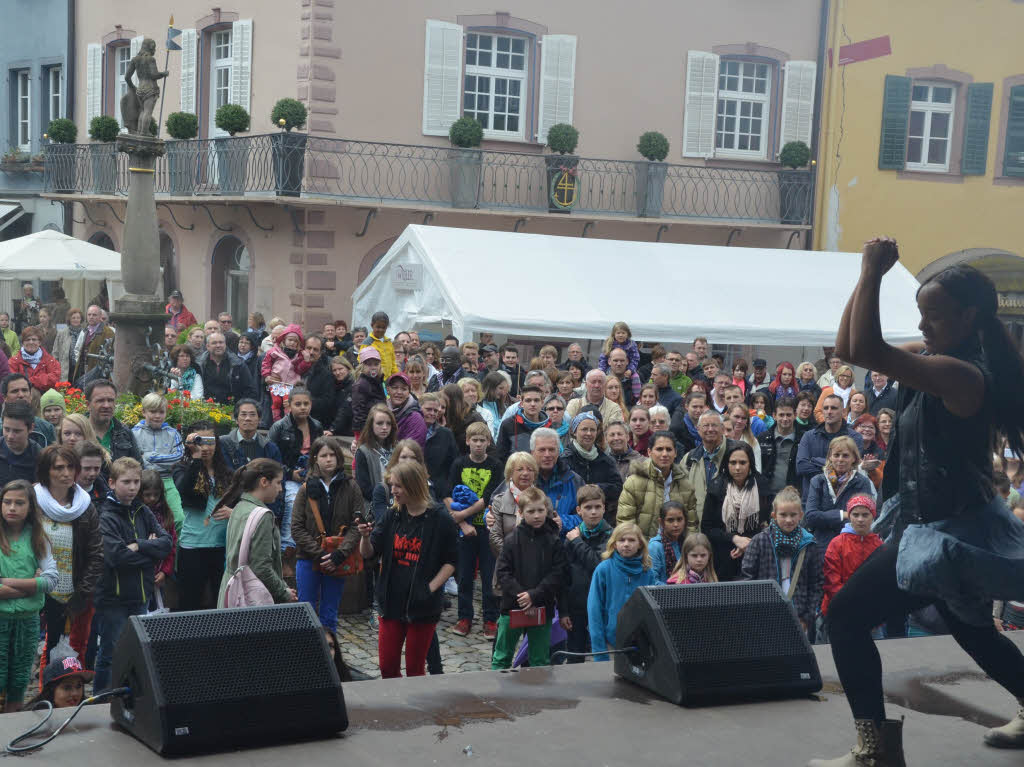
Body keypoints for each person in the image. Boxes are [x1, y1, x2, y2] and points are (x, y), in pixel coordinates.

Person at [808, 242, 1024, 763]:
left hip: (948, 533)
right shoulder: (936, 361)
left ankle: (873, 750)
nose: (923, 326)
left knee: (848, 618)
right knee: (970, 627)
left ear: (968, 316)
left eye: (933, 316)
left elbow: (865, 351)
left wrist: (871, 271)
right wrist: (866, 280)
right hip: (941, 523)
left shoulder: (961, 375)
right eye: (920, 315)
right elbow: (849, 346)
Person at [358, 461, 457, 678]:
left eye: (398, 486)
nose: (392, 491)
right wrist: (364, 537)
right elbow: (368, 553)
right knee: (387, 667)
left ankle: (415, 711)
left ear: (413, 486)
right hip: (391, 603)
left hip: (423, 607)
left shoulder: (440, 519)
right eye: (392, 485)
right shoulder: (392, 516)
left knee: (415, 669)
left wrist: (429, 589)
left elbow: (451, 562)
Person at [93, 458, 172, 692]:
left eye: (136, 481)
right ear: (112, 482)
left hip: (139, 595)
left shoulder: (142, 510)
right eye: (126, 482)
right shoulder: (106, 514)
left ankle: (126, 700)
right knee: (109, 653)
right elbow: (116, 557)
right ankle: (100, 699)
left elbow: (166, 543)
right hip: (113, 598)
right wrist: (150, 552)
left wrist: (138, 545)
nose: (133, 487)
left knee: (135, 654)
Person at [35, 445, 102, 676]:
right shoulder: (31, 500)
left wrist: (81, 594)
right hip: (34, 589)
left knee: (64, 652)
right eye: (58, 468)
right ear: (46, 471)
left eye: (70, 467)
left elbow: (95, 554)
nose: (66, 473)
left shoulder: (85, 505)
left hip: (71, 592)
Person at [291, 437, 362, 630]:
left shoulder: (351, 487)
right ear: (315, 458)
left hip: (338, 558)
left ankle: (330, 657)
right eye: (324, 455)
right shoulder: (305, 489)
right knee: (306, 612)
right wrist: (320, 554)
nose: (328, 459)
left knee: (329, 614)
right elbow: (296, 527)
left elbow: (357, 525)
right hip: (309, 557)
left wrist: (340, 554)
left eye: (332, 455)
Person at [491, 486, 566, 670]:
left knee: (539, 659)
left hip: (541, 605)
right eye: (531, 511)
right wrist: (522, 595)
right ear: (521, 512)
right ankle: (499, 695)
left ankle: (537, 697)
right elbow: (503, 572)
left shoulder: (554, 541)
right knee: (502, 656)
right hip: (512, 606)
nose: (537, 515)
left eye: (541, 510)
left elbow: (557, 574)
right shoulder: (511, 539)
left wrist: (534, 595)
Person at [0, 479, 57, 711]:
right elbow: (41, 582)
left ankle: (12, 726)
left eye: (19, 503)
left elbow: (52, 580)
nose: (12, 507)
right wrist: (33, 584)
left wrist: (6, 583)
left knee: (19, 679)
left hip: (27, 622)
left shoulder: (37, 538)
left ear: (30, 507)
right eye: (7, 502)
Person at [740, 486, 822, 636]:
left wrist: (807, 618)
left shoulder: (810, 544)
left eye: (793, 515)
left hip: (798, 615)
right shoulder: (760, 541)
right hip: (765, 615)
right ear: (774, 515)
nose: (789, 520)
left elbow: (816, 584)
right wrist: (754, 614)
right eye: (783, 515)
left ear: (801, 515)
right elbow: (748, 580)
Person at [447, 421, 503, 638]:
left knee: (489, 575)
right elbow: (450, 494)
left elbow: (489, 496)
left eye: (483, 440)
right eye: (475, 440)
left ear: (488, 442)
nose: (478, 445)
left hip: (486, 527)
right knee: (465, 575)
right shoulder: (459, 464)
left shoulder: (495, 466)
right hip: (464, 530)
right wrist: (461, 522)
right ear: (468, 441)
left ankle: (490, 618)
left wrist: (463, 514)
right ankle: (464, 617)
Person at [173, 421, 233, 611]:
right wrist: (196, 459)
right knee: (190, 602)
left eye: (210, 442)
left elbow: (240, 500)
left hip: (221, 545)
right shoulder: (182, 468)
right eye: (200, 441)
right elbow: (183, 490)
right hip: (194, 545)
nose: (206, 447)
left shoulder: (226, 471)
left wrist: (234, 512)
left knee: (221, 600)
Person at [700, 440, 772, 582]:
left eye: (742, 462)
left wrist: (748, 544)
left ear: (750, 463)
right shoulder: (716, 487)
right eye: (733, 463)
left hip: (755, 554)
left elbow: (767, 525)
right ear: (727, 464)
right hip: (722, 556)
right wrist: (735, 539)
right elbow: (707, 528)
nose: (738, 467)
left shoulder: (762, 486)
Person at [587, 521, 657, 661]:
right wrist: (599, 651)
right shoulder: (604, 569)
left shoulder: (648, 573)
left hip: (639, 645)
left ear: (640, 544)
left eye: (631, 540)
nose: (626, 544)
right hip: (610, 644)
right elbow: (594, 611)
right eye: (622, 540)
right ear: (614, 544)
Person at [559, 484, 612, 663]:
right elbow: (564, 577)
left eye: (597, 507)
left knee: (602, 650)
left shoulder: (610, 536)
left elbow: (598, 564)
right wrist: (563, 610)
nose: (593, 512)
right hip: (576, 604)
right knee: (575, 651)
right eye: (588, 508)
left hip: (601, 604)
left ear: (604, 508)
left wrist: (577, 542)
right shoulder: (572, 537)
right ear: (579, 510)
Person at [618, 431, 697, 539]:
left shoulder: (685, 484)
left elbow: (691, 525)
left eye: (669, 449)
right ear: (649, 452)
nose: (664, 454)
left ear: (676, 453)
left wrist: (687, 550)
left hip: (678, 550)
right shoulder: (633, 483)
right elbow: (625, 522)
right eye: (659, 449)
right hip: (642, 549)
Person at [804, 435, 875, 553]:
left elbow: (864, 518)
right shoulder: (818, 481)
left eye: (845, 455)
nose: (840, 459)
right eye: (836, 455)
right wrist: (843, 515)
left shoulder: (862, 482)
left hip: (852, 547)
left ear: (854, 458)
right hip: (820, 547)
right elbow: (811, 516)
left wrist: (825, 518)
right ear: (830, 457)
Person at [820, 495, 882, 619]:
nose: (860, 519)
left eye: (865, 515)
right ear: (849, 516)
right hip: (840, 611)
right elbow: (831, 581)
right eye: (855, 514)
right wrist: (851, 604)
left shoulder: (879, 545)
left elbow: (881, 582)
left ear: (873, 516)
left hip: (871, 614)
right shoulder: (837, 544)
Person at [131, 393, 185, 530]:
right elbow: (133, 458)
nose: (157, 416)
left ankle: (173, 550)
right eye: (153, 411)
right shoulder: (134, 433)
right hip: (142, 480)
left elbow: (179, 456)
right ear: (144, 412)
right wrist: (165, 458)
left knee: (179, 519)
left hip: (166, 480)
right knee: (141, 520)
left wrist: (149, 456)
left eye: (161, 412)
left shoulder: (173, 433)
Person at [795, 393, 864, 497]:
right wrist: (834, 470)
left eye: (834, 408)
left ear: (844, 411)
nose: (829, 412)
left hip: (842, 499)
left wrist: (815, 460)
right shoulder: (808, 436)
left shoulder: (854, 438)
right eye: (826, 408)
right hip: (812, 500)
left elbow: (851, 470)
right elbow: (801, 467)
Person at [486, 451, 540, 569]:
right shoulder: (499, 501)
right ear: (510, 473)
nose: (525, 473)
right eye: (520, 469)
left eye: (530, 469)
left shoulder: (544, 500)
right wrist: (513, 558)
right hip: (507, 566)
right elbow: (495, 536)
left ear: (534, 474)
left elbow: (549, 536)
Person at [564, 411, 623, 518]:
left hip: (600, 517)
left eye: (592, 430)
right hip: (572, 516)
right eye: (584, 429)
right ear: (574, 431)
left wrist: (596, 488)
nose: (589, 433)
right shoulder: (565, 459)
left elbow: (617, 487)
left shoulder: (605, 460)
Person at [682, 411, 737, 519]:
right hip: (697, 525)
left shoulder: (737, 453)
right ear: (698, 429)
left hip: (730, 524)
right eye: (706, 425)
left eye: (714, 425)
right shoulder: (689, 459)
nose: (710, 429)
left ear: (722, 429)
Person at [532, 427, 584, 534]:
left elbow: (589, 516)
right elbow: (495, 508)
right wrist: (488, 516)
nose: (547, 455)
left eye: (551, 449)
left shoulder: (574, 481)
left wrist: (563, 522)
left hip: (565, 545)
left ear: (558, 452)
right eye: (542, 450)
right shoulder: (521, 477)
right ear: (532, 452)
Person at [758, 397, 806, 497]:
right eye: (781, 415)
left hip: (794, 498)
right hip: (766, 497)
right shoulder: (762, 438)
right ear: (774, 416)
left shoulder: (804, 439)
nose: (785, 419)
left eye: (788, 415)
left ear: (795, 415)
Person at [219, 399, 284, 473]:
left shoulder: (269, 447)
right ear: (236, 419)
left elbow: (278, 475)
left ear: (259, 419)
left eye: (252, 414)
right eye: (243, 414)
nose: (248, 418)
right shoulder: (223, 443)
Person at [260, 324, 305, 420]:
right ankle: (276, 418)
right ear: (284, 340)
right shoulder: (275, 351)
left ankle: (287, 420)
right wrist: (267, 375)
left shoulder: (299, 355)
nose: (292, 343)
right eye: (290, 340)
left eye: (295, 341)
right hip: (276, 382)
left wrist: (306, 361)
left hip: (290, 384)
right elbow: (266, 363)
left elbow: (301, 368)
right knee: (276, 402)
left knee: (287, 402)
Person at [354, 403, 397, 502]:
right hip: (376, 505)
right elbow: (364, 488)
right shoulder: (363, 452)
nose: (385, 427)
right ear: (371, 425)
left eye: (388, 423)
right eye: (379, 423)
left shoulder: (397, 448)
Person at [495, 385, 549, 463]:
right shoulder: (508, 425)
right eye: (528, 400)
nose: (532, 404)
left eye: (536, 400)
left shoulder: (549, 425)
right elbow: (500, 457)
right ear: (522, 403)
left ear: (542, 403)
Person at [201, 332, 257, 405]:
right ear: (207, 346)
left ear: (225, 344)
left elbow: (249, 390)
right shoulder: (200, 364)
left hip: (232, 409)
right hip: (206, 409)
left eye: (221, 342)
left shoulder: (238, 364)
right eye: (214, 343)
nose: (218, 345)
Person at [3, 373, 54, 447]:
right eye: (15, 391)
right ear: (5, 398)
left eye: (24, 390)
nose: (21, 395)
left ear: (30, 396)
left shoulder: (46, 428)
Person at [27, 657, 93, 710]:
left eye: (79, 686)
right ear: (50, 690)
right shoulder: (32, 718)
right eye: (67, 687)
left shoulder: (91, 713)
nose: (75, 693)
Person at [71, 305, 114, 384]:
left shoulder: (108, 332)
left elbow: (108, 356)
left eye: (94, 315)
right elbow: (77, 349)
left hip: (98, 374)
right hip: (82, 370)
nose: (91, 317)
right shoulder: (85, 330)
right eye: (89, 314)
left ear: (100, 316)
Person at [9, 326, 60, 393]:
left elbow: (54, 379)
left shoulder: (50, 360)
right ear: (23, 342)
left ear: (39, 342)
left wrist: (30, 381)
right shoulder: (13, 361)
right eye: (28, 340)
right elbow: (12, 382)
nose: (31, 342)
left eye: (34, 339)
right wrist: (42, 380)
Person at [0, 401, 40, 484]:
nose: (10, 436)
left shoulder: (39, 456)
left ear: (31, 428)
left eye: (17, 431)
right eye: (6, 429)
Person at [648, 500, 688, 583]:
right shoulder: (655, 546)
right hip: (663, 593)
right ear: (661, 522)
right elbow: (652, 580)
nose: (676, 524)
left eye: (679, 519)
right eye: (670, 520)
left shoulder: (687, 544)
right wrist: (675, 591)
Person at [351, 347, 387, 437]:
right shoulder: (361, 384)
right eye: (369, 364)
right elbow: (358, 411)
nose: (373, 367)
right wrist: (362, 433)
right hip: (366, 430)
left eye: (376, 364)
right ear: (363, 366)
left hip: (380, 426)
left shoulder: (379, 381)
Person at [359, 311, 397, 379]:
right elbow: (361, 361)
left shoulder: (388, 342)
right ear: (372, 325)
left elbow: (393, 362)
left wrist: (395, 375)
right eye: (378, 327)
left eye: (383, 327)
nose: (381, 330)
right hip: (374, 379)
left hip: (388, 380)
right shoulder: (368, 342)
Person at [853, 413, 886, 490]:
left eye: (871, 427)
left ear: (875, 432)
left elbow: (881, 483)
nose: (867, 429)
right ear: (855, 429)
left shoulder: (880, 452)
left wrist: (872, 470)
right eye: (863, 426)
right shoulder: (846, 447)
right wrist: (860, 466)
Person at [726, 404, 762, 472]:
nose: (740, 421)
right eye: (736, 417)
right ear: (728, 416)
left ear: (747, 422)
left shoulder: (753, 442)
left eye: (744, 418)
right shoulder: (720, 439)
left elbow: (757, 469)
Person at [671, 390, 707, 455]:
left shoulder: (708, 427)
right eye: (695, 407)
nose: (698, 410)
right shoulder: (677, 428)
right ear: (686, 406)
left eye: (701, 407)